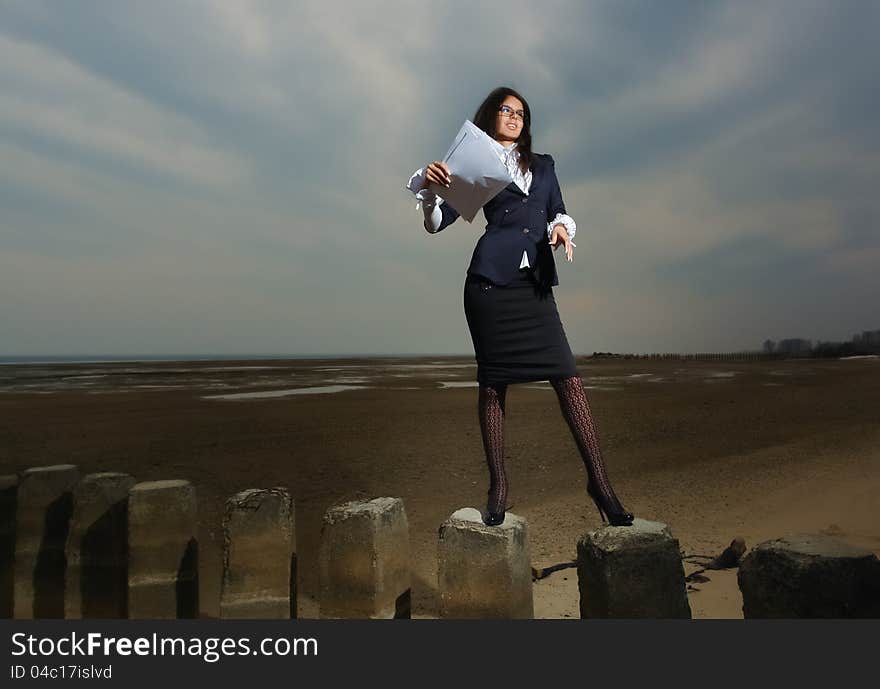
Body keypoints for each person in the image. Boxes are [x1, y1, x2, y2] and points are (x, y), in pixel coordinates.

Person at [406, 86, 634, 527]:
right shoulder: (473, 165)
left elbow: (558, 210)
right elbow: (436, 224)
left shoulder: (544, 166)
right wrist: (433, 192)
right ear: (490, 115)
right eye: (506, 110)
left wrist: (562, 229)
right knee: (493, 387)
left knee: (569, 380)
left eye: (521, 113)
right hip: (490, 286)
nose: (514, 117)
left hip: (535, 288)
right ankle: (499, 488)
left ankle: (601, 485)